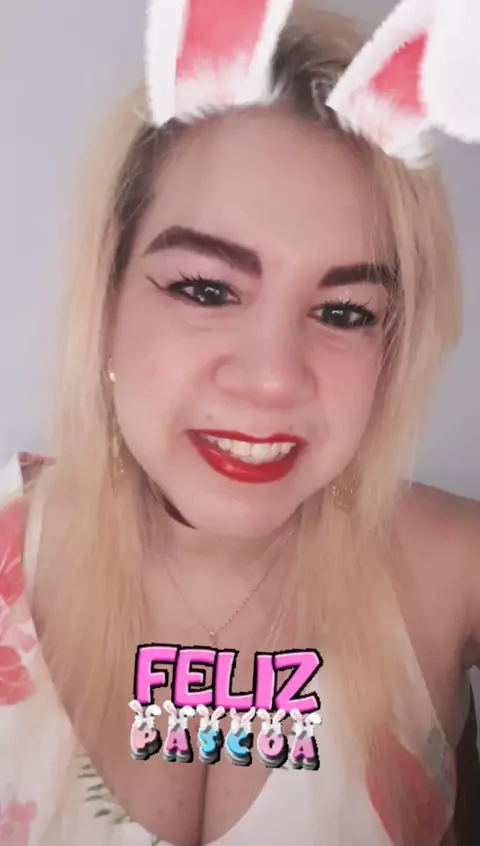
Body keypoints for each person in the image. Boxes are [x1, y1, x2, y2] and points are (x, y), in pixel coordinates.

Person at [0, 3, 479, 845]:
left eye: (343, 311)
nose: (271, 380)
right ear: (107, 296)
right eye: (207, 289)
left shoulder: (453, 571)